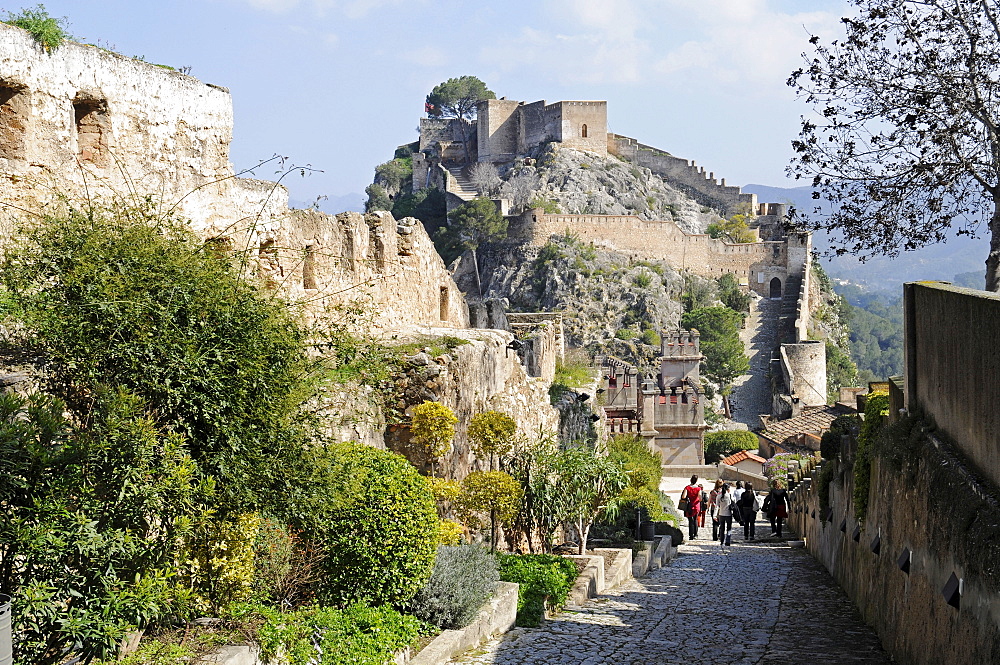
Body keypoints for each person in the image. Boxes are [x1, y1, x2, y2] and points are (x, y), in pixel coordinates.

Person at [681, 475, 702, 540]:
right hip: (696, 505)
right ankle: (695, 534)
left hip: (689, 506)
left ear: (691, 480)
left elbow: (683, 497)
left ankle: (691, 535)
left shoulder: (687, 488)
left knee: (690, 520)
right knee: (695, 519)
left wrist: (688, 497)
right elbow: (700, 498)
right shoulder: (698, 489)